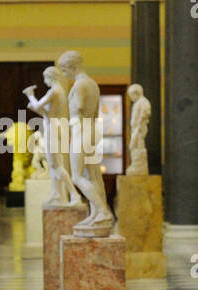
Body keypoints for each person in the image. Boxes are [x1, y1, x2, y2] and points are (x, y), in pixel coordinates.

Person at [57, 50, 114, 233]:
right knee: (93, 174)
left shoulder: (80, 85)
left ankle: (103, 211)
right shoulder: (92, 84)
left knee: (77, 175)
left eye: (65, 69)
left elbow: (80, 106)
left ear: (73, 66)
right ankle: (96, 212)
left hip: (81, 130)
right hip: (91, 130)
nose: (64, 74)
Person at [23, 66, 79, 205]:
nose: (44, 81)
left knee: (55, 164)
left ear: (50, 77)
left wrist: (30, 94)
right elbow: (47, 113)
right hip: (55, 126)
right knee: (54, 164)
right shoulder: (60, 91)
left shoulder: (54, 91)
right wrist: (36, 108)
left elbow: (38, 106)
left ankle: (74, 194)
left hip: (53, 129)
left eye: (45, 78)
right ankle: (57, 194)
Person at [126, 84, 150, 175]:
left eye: (131, 96)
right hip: (136, 128)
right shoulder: (138, 103)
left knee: (136, 145)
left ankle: (139, 166)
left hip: (139, 128)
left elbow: (146, 112)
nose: (131, 98)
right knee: (134, 146)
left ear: (136, 93)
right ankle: (136, 165)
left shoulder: (143, 101)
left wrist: (140, 123)